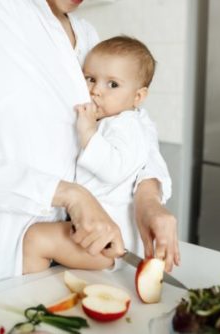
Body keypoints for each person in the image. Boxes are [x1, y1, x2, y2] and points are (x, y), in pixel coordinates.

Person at [0, 0, 179, 298]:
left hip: (71, 266)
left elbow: (133, 126)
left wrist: (148, 200)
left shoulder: (87, 35)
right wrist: (69, 195)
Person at [23, 36, 168, 272]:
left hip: (108, 240)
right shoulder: (114, 120)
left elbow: (114, 169)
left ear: (138, 97)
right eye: (90, 79)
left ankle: (27, 297)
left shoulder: (126, 125)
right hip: (101, 233)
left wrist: (88, 132)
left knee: (35, 239)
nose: (95, 91)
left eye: (112, 85)